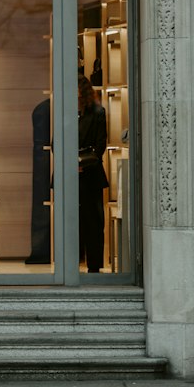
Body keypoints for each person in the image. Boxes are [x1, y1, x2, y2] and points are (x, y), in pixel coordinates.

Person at [78, 76, 108, 273]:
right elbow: (56, 143)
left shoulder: (98, 112)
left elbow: (100, 145)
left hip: (90, 173)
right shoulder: (65, 110)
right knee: (71, 221)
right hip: (70, 174)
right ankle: (69, 264)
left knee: (93, 222)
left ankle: (94, 266)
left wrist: (81, 162)